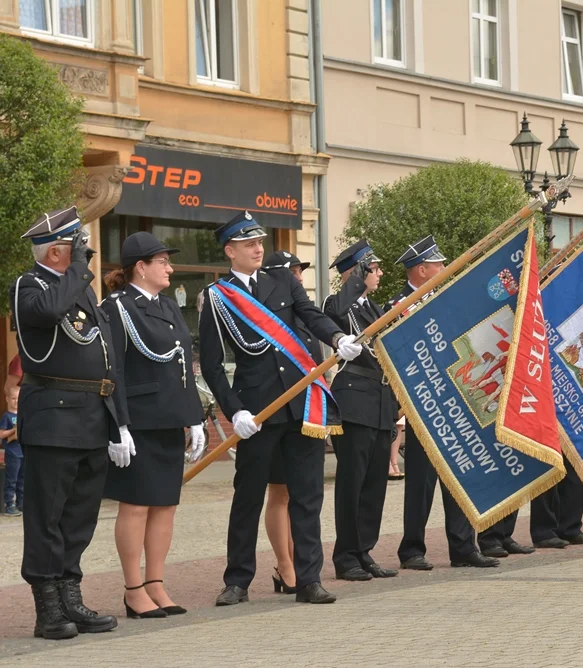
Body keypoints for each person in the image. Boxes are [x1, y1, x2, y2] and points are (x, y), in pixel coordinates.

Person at [199, 212, 358, 606]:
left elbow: (311, 317)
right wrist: (234, 410)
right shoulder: (219, 298)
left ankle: (308, 579)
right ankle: (237, 580)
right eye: (248, 244)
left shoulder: (283, 280)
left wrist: (337, 338)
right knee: (248, 497)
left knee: (307, 496)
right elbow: (212, 364)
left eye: (260, 242)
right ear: (230, 250)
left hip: (300, 402)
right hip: (257, 410)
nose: (258, 249)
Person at [11, 206, 121, 639]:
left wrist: (120, 421)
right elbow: (52, 309)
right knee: (47, 517)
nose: (86, 254)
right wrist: (77, 269)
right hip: (53, 417)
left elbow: (107, 353)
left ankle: (71, 596)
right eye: (78, 246)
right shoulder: (28, 285)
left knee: (80, 516)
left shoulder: (79, 288)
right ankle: (48, 608)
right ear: (56, 251)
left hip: (93, 415)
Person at [101, 232, 207, 618]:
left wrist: (194, 417)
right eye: (162, 261)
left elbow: (183, 363)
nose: (170, 267)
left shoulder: (166, 305)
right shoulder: (115, 307)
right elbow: (111, 369)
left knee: (165, 506)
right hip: (138, 422)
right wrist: (119, 425)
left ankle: (156, 583)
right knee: (136, 506)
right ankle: (133, 589)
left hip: (168, 420)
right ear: (140, 267)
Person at [388, 236, 498, 570]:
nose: (442, 268)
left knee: (459, 475)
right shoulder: (398, 305)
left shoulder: (444, 300)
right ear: (421, 270)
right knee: (421, 481)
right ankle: (412, 550)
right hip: (422, 403)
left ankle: (463, 546)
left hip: (454, 397)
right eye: (437, 264)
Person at [324, 240, 401, 581]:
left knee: (374, 483)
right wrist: (356, 278)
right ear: (357, 272)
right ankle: (345, 555)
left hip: (381, 400)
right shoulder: (339, 303)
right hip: (355, 399)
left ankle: (363, 550)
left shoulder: (372, 307)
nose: (380, 273)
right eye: (375, 268)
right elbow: (336, 315)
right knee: (352, 482)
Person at [258, 250, 322, 593]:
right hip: (277, 415)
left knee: (304, 495)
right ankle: (284, 565)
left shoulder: (304, 318)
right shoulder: (269, 320)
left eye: (298, 271)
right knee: (279, 494)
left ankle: (302, 562)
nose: (298, 278)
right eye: (292, 271)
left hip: (305, 415)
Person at [1, 385, 23, 516]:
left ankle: (21, 502)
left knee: (22, 479)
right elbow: (1, 433)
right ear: (7, 399)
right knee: (11, 479)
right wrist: (13, 430)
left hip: (23, 452)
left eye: (18, 399)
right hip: (12, 453)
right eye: (13, 398)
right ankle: (9, 504)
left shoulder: (22, 415)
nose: (16, 401)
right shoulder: (7, 416)